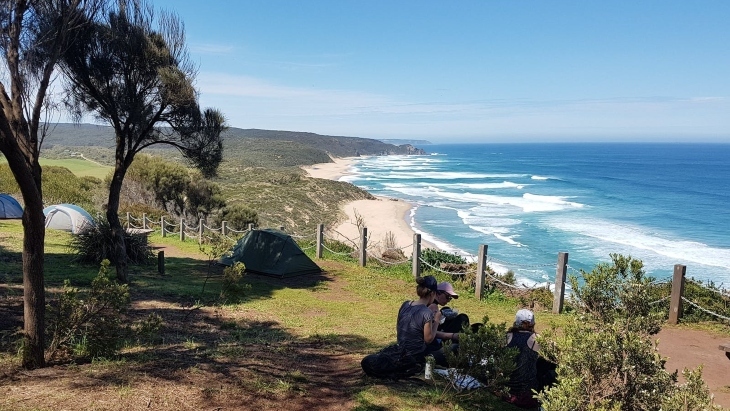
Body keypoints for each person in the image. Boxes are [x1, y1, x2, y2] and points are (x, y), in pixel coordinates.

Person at [361, 275, 441, 379]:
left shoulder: (405, 305)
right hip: (416, 353)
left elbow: (399, 326)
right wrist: (437, 321)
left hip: (401, 348)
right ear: (432, 294)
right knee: (446, 350)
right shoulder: (426, 312)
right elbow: (428, 339)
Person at [504, 308, 556, 409]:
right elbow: (557, 349)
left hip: (506, 390)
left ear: (516, 322)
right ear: (533, 323)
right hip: (527, 394)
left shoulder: (507, 336)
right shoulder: (536, 338)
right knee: (551, 371)